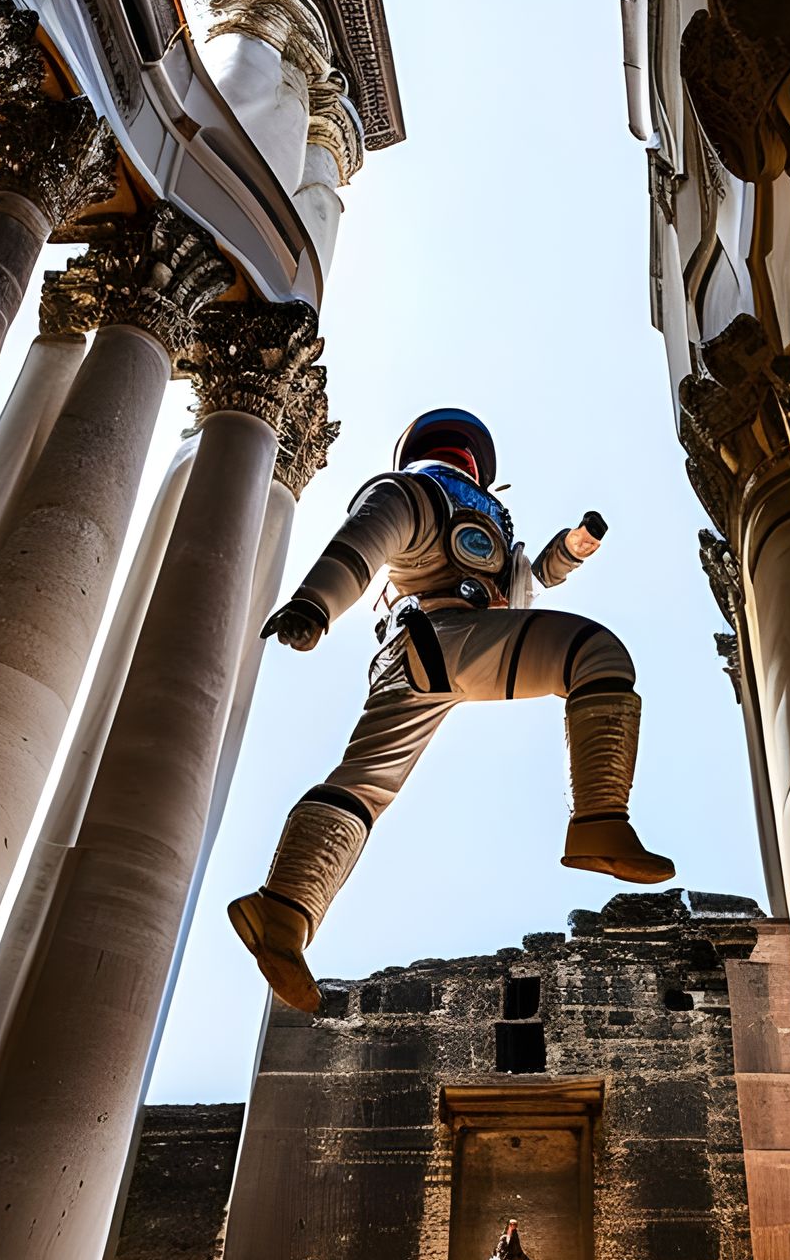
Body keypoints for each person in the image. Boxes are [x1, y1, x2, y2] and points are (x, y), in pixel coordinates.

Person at [228, 407, 674, 1011]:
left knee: (364, 783)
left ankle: (283, 911)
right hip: (443, 636)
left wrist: (574, 548)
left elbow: (523, 576)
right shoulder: (417, 493)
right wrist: (314, 603)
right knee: (594, 654)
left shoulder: (424, 498)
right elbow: (364, 543)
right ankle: (600, 820)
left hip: (413, 653)